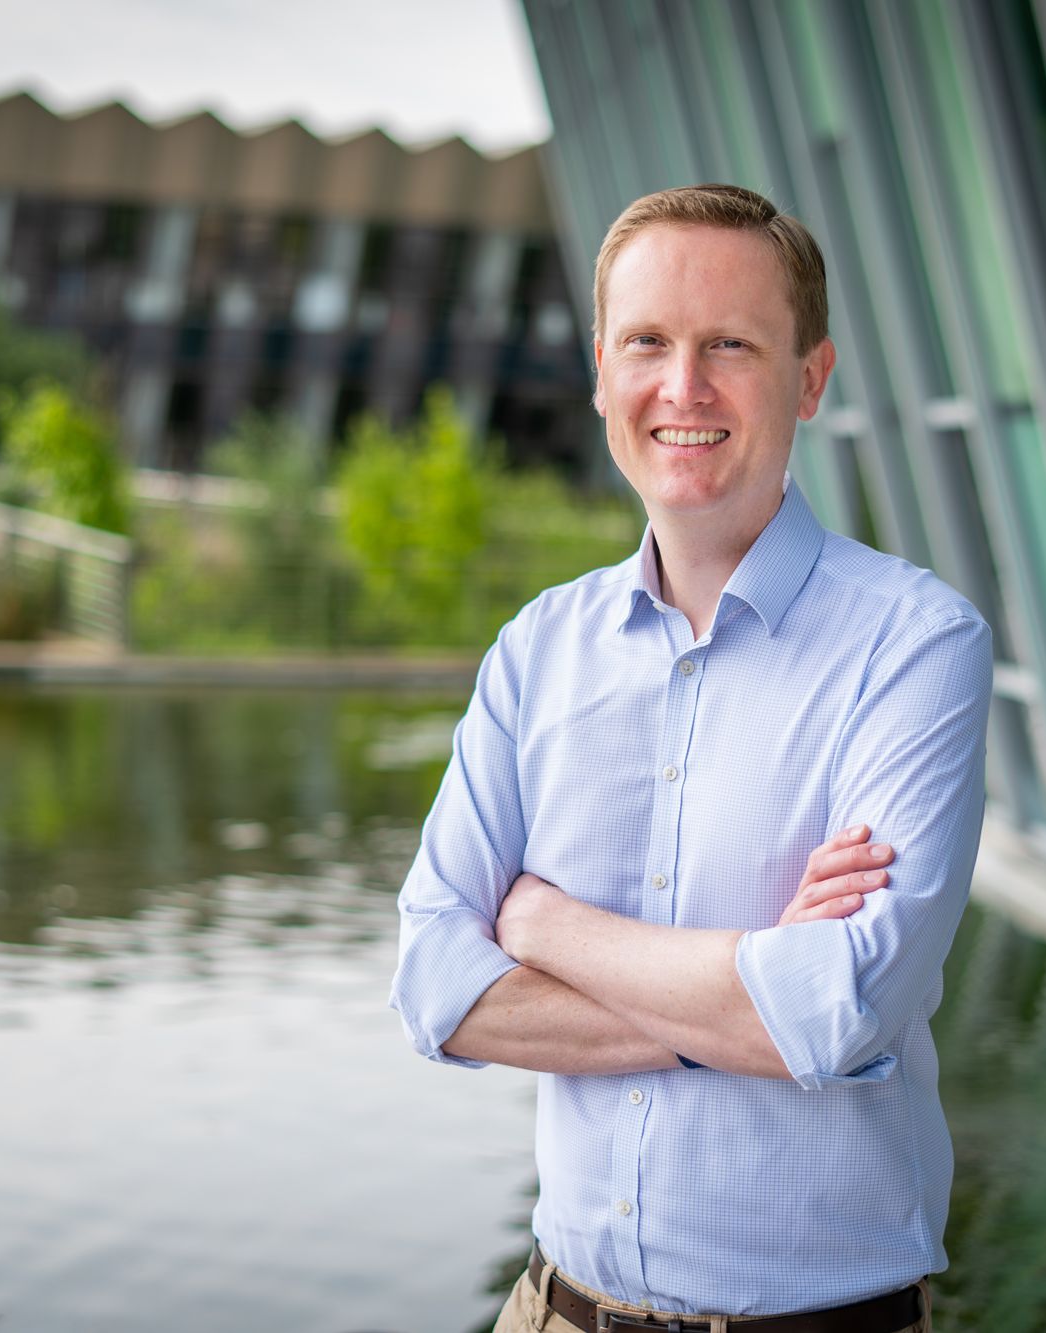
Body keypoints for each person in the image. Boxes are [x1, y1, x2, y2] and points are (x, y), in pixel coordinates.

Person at [390, 184, 992, 1332]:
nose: (684, 387)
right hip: (551, 1312)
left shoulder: (916, 646)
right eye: (647, 344)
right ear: (601, 374)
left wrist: (544, 928)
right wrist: (753, 991)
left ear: (809, 378)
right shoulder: (536, 651)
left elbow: (841, 1010)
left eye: (730, 344)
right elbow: (431, 989)